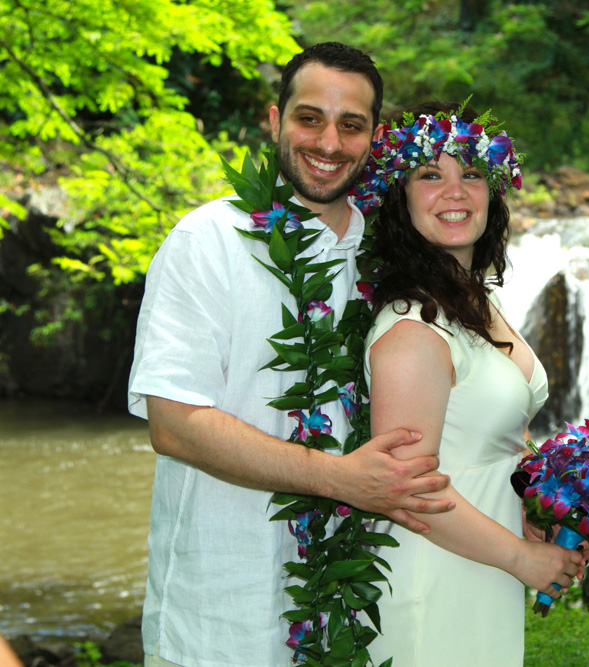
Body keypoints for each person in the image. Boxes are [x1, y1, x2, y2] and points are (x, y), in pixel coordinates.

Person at [127, 43, 455, 667]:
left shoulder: (390, 257)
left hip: (346, 609)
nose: (329, 142)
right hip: (221, 615)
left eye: (350, 125)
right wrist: (339, 478)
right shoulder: (207, 242)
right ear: (274, 121)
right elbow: (173, 424)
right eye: (310, 118)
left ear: (374, 137)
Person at [361, 102, 585, 666]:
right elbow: (406, 487)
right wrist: (519, 557)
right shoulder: (414, 330)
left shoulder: (477, 302)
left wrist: (537, 513)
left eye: (472, 174)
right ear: (400, 197)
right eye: (431, 174)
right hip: (435, 576)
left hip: (482, 556)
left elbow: (485, 440)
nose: (455, 192)